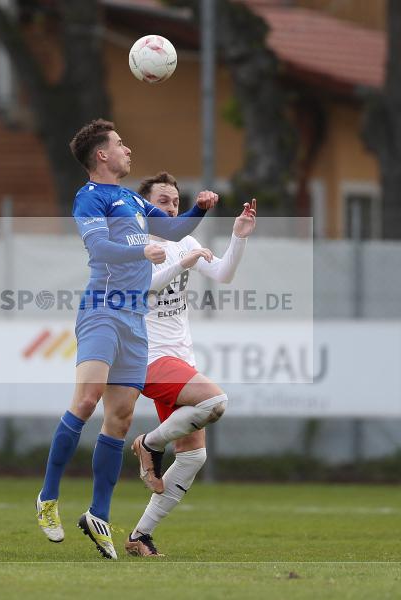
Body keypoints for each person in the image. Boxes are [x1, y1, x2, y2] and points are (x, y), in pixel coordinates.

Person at [35, 119, 217, 559]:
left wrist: (201, 209)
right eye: (119, 144)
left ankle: (99, 515)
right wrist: (141, 250)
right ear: (102, 155)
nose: (127, 149)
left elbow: (173, 231)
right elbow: (98, 250)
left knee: (118, 419)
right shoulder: (89, 198)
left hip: (136, 320)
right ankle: (47, 499)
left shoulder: (132, 198)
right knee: (86, 400)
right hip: (102, 308)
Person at [125, 172, 257, 557]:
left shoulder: (185, 240)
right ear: (145, 206)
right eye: (162, 202)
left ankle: (140, 536)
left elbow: (224, 275)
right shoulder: (135, 243)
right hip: (148, 356)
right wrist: (184, 262)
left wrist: (239, 236)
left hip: (180, 357)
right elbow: (141, 287)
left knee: (193, 455)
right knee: (215, 402)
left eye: (175, 203)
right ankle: (148, 444)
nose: (171, 208)